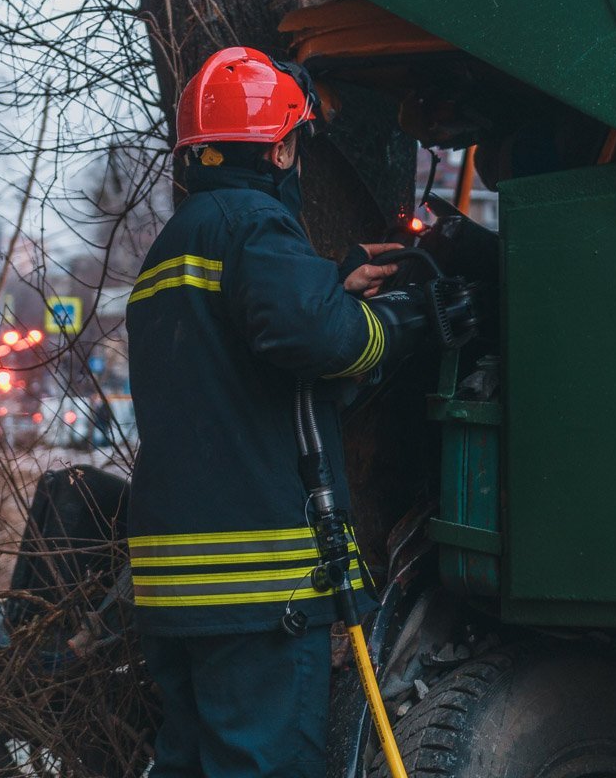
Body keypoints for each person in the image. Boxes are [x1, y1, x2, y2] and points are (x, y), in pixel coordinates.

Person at [125, 47, 405, 777]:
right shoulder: (254, 225)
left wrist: (329, 278)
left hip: (175, 589)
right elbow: (316, 337)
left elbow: (234, 358)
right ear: (280, 147)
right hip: (256, 593)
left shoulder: (171, 248)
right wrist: (392, 328)